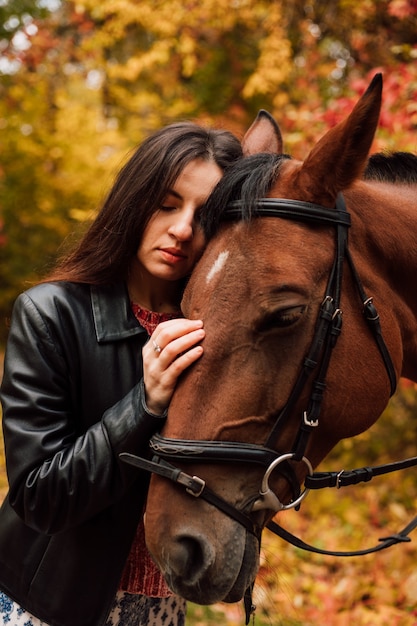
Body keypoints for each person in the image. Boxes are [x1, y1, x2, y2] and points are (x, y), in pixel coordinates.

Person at [0, 121, 242, 626]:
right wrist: (146, 402)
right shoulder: (49, 315)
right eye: (167, 204)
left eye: (205, 215)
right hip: (49, 607)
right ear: (135, 200)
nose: (182, 229)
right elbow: (38, 497)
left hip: (162, 610)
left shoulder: (211, 332)